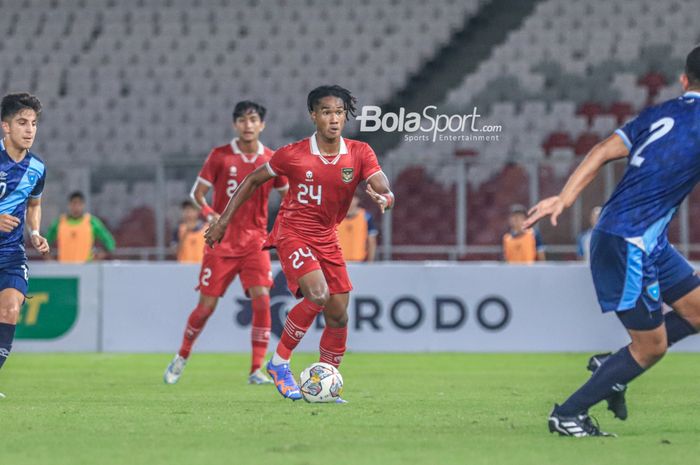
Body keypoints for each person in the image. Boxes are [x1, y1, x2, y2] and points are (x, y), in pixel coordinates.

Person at [524, 46, 700, 437]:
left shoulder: (661, 113)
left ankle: (612, 368)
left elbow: (603, 150)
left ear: (684, 80)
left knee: (697, 311)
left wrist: (564, 198)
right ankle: (568, 414)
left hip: (642, 238)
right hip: (628, 241)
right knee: (650, 346)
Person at [205, 85, 394, 402]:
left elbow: (380, 183)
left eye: (339, 113)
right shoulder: (293, 154)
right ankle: (279, 363)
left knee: (339, 315)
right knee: (318, 295)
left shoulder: (360, 152)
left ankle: (326, 382)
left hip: (327, 236)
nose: (334, 119)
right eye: (326, 112)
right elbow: (252, 179)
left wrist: (385, 196)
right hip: (292, 231)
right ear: (314, 115)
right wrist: (223, 220)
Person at [164, 101, 288, 385]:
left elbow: (288, 196)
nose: (248, 125)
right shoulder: (220, 156)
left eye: (253, 119)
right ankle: (181, 356)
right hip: (221, 242)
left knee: (262, 300)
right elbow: (198, 193)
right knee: (206, 307)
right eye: (242, 120)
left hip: (255, 242)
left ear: (262, 125)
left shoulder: (271, 160)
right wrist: (211, 215)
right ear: (235, 125)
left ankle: (257, 369)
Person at [0, 93, 50, 398]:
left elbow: (34, 205)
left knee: (11, 309)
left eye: (33, 123)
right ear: (5, 126)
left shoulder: (38, 168)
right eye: (22, 122)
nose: (29, 129)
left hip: (10, 253)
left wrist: (34, 232)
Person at [44, 191, 116, 263]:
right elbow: (43, 245)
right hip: (65, 270)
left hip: (86, 269)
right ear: (69, 205)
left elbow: (110, 243)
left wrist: (97, 257)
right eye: (74, 204)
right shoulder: (60, 223)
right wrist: (51, 262)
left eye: (79, 204)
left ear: (83, 205)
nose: (76, 207)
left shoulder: (91, 222)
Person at [337, 191, 378, 262]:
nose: (350, 200)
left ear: (358, 199)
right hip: (338, 262)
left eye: (353, 197)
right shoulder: (335, 217)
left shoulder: (366, 217)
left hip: (360, 261)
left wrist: (370, 262)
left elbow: (372, 241)